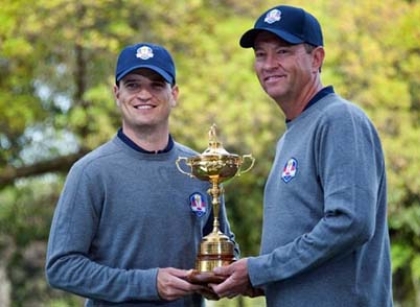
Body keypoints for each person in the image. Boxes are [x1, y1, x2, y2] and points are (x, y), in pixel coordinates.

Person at [211, 5, 393, 306]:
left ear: (316, 58)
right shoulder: (290, 136)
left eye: (283, 51)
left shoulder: (339, 119)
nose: (269, 64)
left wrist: (259, 270)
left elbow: (351, 222)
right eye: (260, 54)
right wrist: (256, 280)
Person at [46, 42, 238, 306]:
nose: (144, 94)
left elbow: (225, 248)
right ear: (117, 93)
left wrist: (222, 277)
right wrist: (148, 284)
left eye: (157, 84)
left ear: (174, 94)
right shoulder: (90, 173)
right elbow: (61, 267)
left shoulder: (200, 168)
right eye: (133, 85)